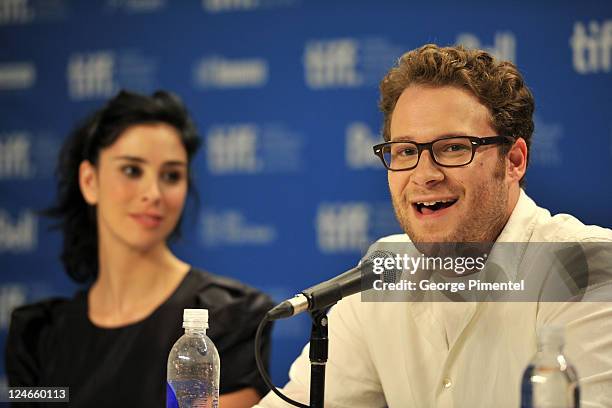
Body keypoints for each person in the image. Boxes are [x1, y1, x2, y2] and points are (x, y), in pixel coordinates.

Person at [255, 44, 612, 407]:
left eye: (454, 148)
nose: (424, 175)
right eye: (407, 151)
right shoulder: (386, 271)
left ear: (514, 160)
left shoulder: (583, 264)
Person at [5, 90, 274, 408]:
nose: (153, 193)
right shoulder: (37, 335)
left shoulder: (230, 317)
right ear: (90, 181)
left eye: (171, 175)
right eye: (132, 170)